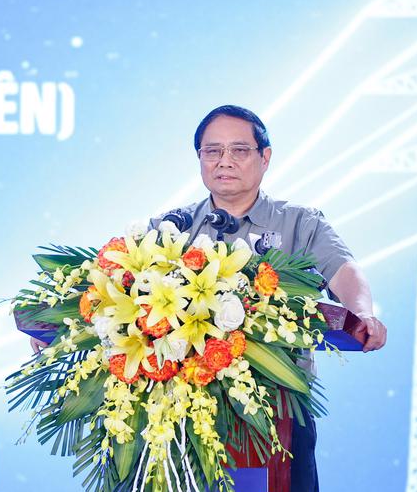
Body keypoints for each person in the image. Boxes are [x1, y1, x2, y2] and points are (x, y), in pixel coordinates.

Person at [30, 104, 387, 491]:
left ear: (264, 157)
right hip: (176, 412)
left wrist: (363, 312)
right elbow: (116, 289)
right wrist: (63, 330)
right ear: (200, 159)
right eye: (212, 151)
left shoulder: (299, 222)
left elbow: (345, 271)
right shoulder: (169, 229)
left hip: (274, 412)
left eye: (239, 150)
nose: (224, 161)